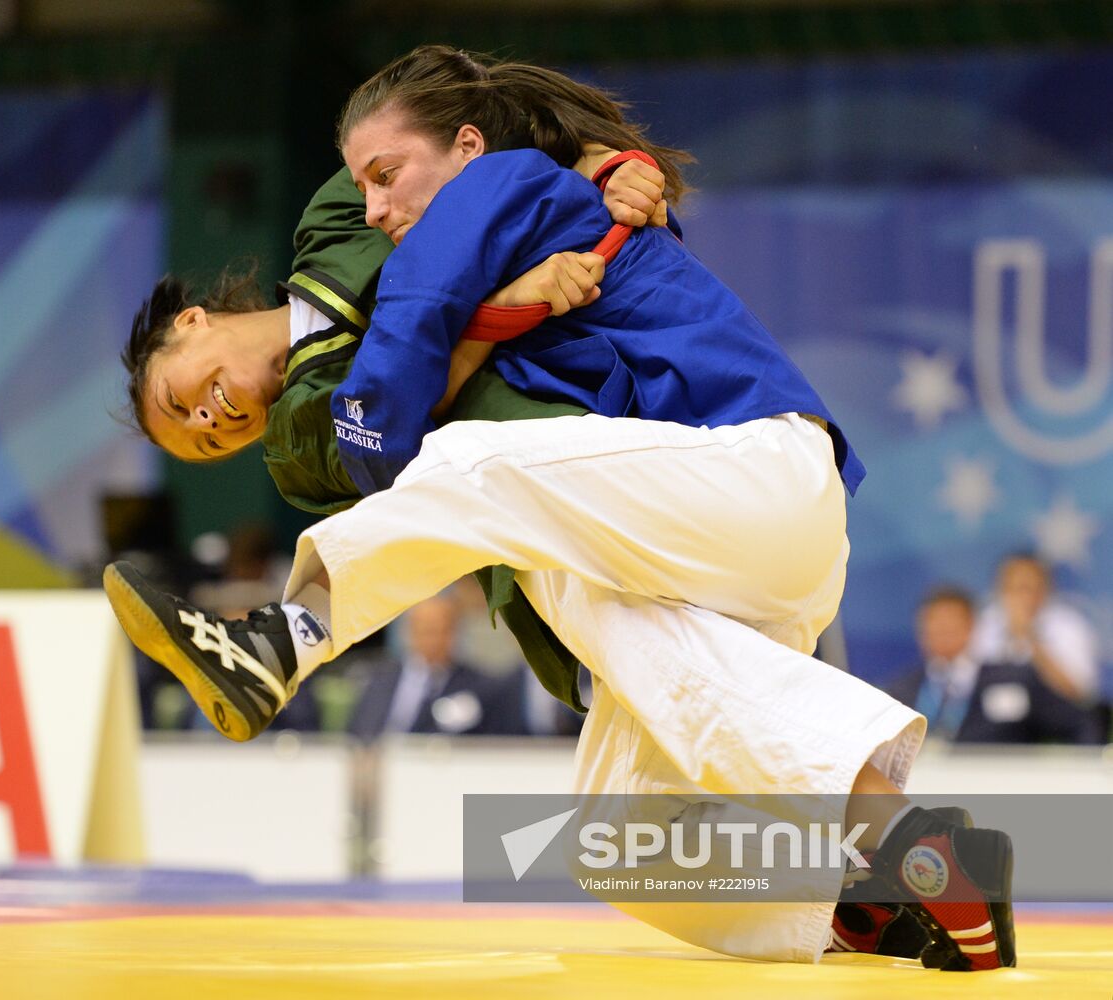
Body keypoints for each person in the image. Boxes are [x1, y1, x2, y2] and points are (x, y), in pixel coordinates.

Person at [104, 46, 1014, 970]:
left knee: (470, 456)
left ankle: (287, 636)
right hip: (659, 544)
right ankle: (885, 890)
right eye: (200, 442)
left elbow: (405, 365)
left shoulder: (458, 192)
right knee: (619, 841)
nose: (378, 207)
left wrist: (613, 169)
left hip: (756, 471)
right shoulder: (310, 419)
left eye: (184, 400)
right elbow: (401, 384)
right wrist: (505, 304)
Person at [961, 552, 1103, 744]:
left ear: (1047, 588)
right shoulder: (985, 624)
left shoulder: (1070, 625)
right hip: (996, 728)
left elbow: (1081, 694)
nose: (1023, 596)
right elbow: (963, 686)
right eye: (1014, 588)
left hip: (1057, 723)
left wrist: (1029, 637)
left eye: (1029, 587)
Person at [347, 592, 495, 740]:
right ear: (409, 632)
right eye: (425, 630)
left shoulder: (477, 685)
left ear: (455, 633)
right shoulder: (380, 678)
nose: (433, 640)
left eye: (440, 631)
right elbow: (358, 730)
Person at [886, 586, 980, 741]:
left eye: (951, 619)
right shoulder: (900, 690)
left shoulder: (1001, 680)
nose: (943, 628)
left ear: (970, 626)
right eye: (934, 620)